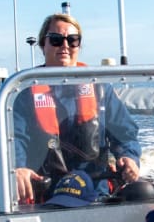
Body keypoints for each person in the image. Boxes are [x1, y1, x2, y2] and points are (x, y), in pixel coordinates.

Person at [13, 13, 141, 203]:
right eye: (56, 40)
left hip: (95, 191)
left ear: (78, 46)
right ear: (42, 45)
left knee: (145, 193)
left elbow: (124, 134)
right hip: (46, 195)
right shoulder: (24, 94)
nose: (65, 46)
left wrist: (129, 158)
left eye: (72, 40)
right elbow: (14, 139)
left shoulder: (100, 89)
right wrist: (17, 168)